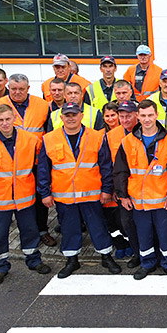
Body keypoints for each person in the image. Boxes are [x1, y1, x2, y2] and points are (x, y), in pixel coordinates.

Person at [37, 102, 121, 278]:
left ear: (81, 116)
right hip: (65, 196)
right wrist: (44, 193)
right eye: (67, 115)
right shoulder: (49, 139)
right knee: (69, 229)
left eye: (74, 114)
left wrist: (107, 189)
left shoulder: (96, 137)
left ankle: (106, 257)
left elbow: (106, 165)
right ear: (61, 118)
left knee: (98, 226)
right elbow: (43, 169)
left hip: (91, 194)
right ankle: (71, 260)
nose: (71, 118)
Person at [0, 104, 52, 285]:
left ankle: (34, 260)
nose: (5, 123)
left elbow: (38, 165)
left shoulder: (30, 139)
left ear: (14, 119)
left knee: (30, 230)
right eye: (0, 120)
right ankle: (0, 267)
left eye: (8, 119)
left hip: (24, 195)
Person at [113, 100, 167, 280]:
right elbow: (120, 171)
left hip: (162, 200)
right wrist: (123, 196)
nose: (147, 119)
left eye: (150, 115)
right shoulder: (127, 142)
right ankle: (147, 263)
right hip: (139, 200)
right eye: (143, 115)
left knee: (165, 234)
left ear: (157, 115)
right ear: (137, 116)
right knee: (143, 235)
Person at [0, 74, 56, 247]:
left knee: (39, 198)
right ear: (8, 88)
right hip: (6, 166)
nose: (17, 92)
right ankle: (21, 232)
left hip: (37, 162)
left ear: (28, 89)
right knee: (10, 200)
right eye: (14, 89)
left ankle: (42, 230)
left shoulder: (41, 105)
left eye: (21, 89)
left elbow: (50, 133)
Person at [106, 101, 140, 266]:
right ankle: (136, 253)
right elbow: (107, 164)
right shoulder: (111, 136)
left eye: (129, 116)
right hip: (122, 188)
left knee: (145, 224)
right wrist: (113, 188)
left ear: (136, 115)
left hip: (143, 188)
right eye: (122, 116)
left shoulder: (145, 131)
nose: (125, 120)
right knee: (127, 223)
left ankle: (150, 252)